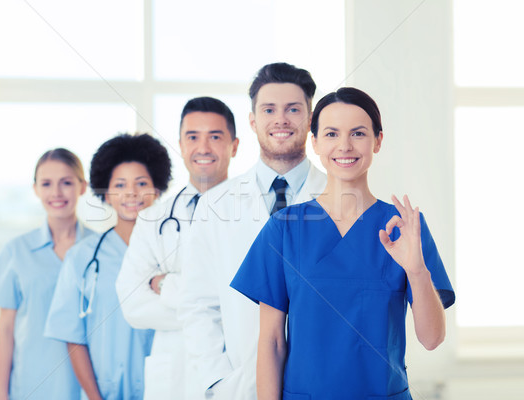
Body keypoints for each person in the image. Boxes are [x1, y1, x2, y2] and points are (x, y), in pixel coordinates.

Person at [230, 87, 456, 399]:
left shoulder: (404, 227)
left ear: (378, 141)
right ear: (316, 142)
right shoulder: (284, 229)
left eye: (359, 133)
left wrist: (417, 271)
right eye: (332, 133)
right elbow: (271, 342)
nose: (345, 146)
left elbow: (432, 339)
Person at [178, 63, 327, 400]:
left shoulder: (340, 198)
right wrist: (217, 381)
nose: (281, 119)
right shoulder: (215, 204)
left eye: (293, 109)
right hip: (240, 387)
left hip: (326, 384)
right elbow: (198, 305)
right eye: (269, 109)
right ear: (252, 121)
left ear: (311, 117)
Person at [115, 97, 239, 400]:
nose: (203, 147)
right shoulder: (153, 218)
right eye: (193, 137)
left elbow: (254, 302)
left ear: (234, 146)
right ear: (180, 145)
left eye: (215, 137)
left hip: (234, 371)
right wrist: (220, 309)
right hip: (172, 377)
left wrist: (167, 285)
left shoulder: (255, 214)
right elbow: (133, 305)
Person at [44, 134, 171, 400]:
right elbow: (73, 337)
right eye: (120, 184)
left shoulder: (174, 252)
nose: (131, 193)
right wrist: (94, 397)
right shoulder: (83, 257)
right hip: (105, 393)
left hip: (168, 388)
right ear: (106, 193)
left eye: (141, 183)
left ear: (157, 189)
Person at [0, 148, 91, 400]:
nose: (56, 193)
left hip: (87, 388)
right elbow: (6, 329)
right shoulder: (16, 251)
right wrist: (1, 393)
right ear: (35, 189)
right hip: (31, 386)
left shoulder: (100, 249)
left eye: (66, 182)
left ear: (82, 186)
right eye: (46, 184)